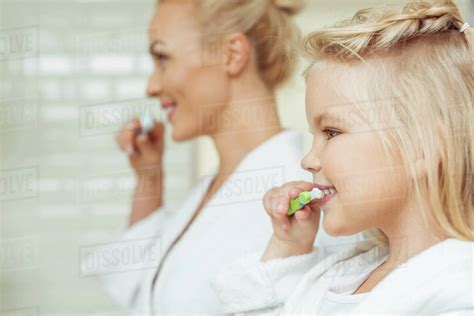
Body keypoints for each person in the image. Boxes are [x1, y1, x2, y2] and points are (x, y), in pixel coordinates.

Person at [81, 0, 365, 314]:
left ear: (231, 54)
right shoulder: (206, 192)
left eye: (163, 58)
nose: (152, 85)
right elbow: (140, 294)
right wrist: (148, 177)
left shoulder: (306, 201)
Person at [213, 0, 474, 314]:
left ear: (422, 149)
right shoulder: (340, 275)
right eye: (314, 135)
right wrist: (288, 246)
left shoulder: (457, 290)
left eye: (332, 132)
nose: (308, 160)